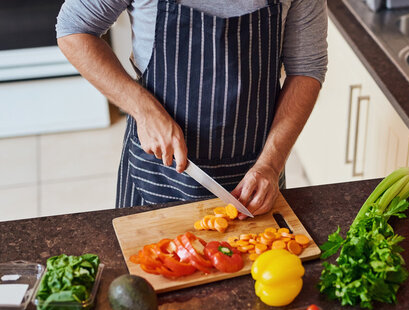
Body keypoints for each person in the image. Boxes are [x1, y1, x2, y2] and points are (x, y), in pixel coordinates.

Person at [56, 0, 327, 217]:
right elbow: (74, 30)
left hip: (255, 178)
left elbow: (306, 69)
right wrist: (144, 110)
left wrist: (271, 164)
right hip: (157, 175)